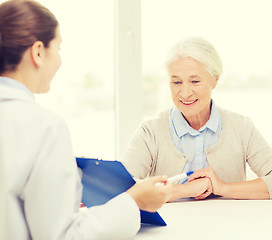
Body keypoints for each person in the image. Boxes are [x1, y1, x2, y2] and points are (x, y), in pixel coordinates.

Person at [0, 0, 171, 239]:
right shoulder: (45, 128)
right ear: (38, 52)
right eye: (58, 48)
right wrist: (134, 201)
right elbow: (62, 235)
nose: (59, 60)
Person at [121, 36, 272, 201]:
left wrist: (221, 187)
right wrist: (184, 190)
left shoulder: (241, 127)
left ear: (215, 80)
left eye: (195, 81)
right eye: (176, 82)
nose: (184, 93)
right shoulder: (149, 131)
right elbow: (120, 189)